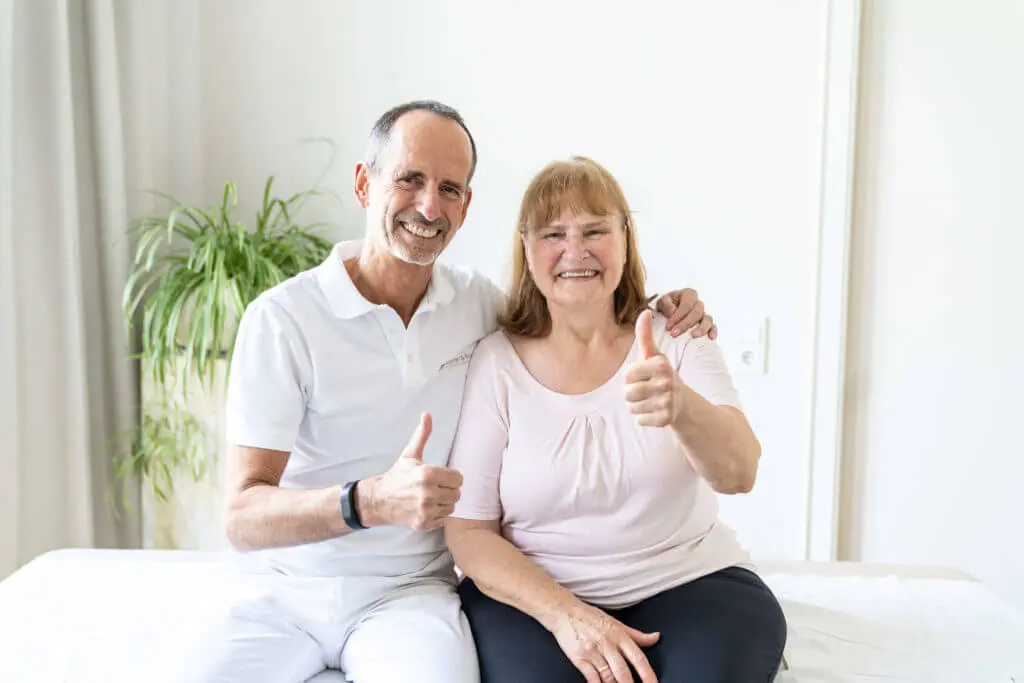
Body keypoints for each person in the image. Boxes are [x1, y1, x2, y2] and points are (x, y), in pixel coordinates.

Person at [160, 101, 720, 683]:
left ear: (467, 206)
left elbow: (573, 300)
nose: (430, 206)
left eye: (450, 188)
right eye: (410, 179)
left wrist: (669, 308)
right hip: (280, 589)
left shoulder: (479, 307)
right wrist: (367, 501)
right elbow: (241, 516)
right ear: (363, 183)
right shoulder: (283, 319)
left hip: (409, 596)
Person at [445, 156, 787, 683]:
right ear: (527, 248)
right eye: (554, 233)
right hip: (537, 601)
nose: (575, 251)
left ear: (625, 242)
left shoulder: (676, 336)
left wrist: (683, 408)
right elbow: (469, 531)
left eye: (595, 231)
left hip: (691, 581)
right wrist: (568, 616)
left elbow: (740, 474)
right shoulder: (495, 362)